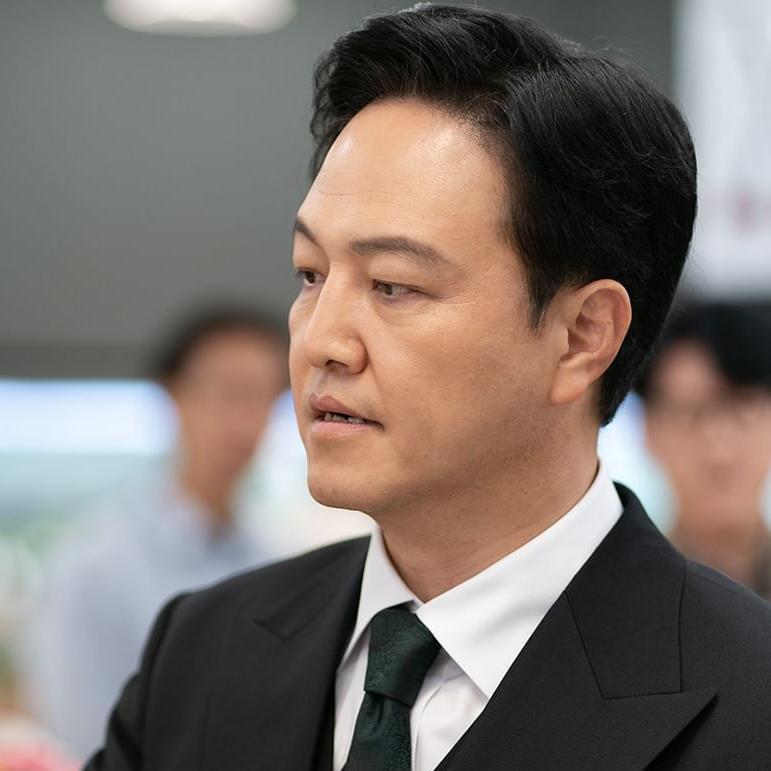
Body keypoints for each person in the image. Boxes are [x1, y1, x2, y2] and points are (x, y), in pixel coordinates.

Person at [87, 6, 771, 770]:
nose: (320, 340)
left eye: (394, 285)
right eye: (310, 274)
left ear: (582, 335)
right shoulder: (200, 654)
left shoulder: (747, 705)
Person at [22, 306, 287, 758]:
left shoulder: (274, 562)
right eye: (230, 391)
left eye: (265, 396)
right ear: (174, 396)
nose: (248, 418)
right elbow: (83, 738)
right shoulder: (93, 566)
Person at [637, 302, 771, 597]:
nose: (719, 450)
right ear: (648, 429)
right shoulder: (626, 592)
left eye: (741, 408)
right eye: (691, 413)